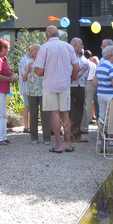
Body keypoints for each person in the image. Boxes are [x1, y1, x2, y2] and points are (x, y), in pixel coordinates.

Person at [34, 26, 79, 154]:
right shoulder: (68, 47)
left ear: (47, 35)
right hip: (64, 84)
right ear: (57, 34)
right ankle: (69, 144)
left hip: (50, 85)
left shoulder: (44, 48)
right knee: (66, 113)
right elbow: (76, 66)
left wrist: (41, 73)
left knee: (54, 114)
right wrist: (71, 79)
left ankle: (58, 145)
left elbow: (39, 69)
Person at [0, 38, 19, 146]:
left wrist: (10, 78)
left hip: (1, 89)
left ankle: (3, 137)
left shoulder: (2, 59)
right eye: (7, 47)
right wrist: (10, 79)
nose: (9, 49)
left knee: (3, 114)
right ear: (2, 48)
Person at [23, 44, 51, 145]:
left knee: (45, 115)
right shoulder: (27, 63)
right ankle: (34, 137)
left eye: (37, 49)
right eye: (33, 50)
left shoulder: (45, 63)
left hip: (43, 91)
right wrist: (27, 70)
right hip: (31, 91)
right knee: (33, 114)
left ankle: (47, 138)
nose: (35, 51)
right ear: (31, 52)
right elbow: (23, 78)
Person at [70, 38, 89, 143]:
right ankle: (75, 135)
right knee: (76, 112)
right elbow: (75, 75)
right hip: (76, 86)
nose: (82, 46)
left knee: (75, 111)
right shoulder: (73, 57)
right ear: (75, 45)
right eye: (81, 44)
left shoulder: (75, 57)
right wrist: (84, 69)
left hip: (78, 85)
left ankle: (72, 134)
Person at [94, 45, 113, 121]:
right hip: (111, 95)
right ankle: (111, 132)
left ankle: (101, 131)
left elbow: (94, 84)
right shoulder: (111, 68)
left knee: (102, 115)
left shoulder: (99, 67)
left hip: (100, 94)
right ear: (110, 56)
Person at [18, 46, 32, 134]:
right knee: (27, 106)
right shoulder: (25, 60)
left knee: (29, 106)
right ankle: (26, 127)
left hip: (29, 87)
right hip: (26, 86)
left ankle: (29, 126)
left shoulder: (30, 59)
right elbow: (24, 76)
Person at [82, 49, 95, 134]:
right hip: (90, 82)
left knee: (83, 103)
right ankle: (89, 119)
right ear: (90, 57)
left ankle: (83, 120)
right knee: (90, 102)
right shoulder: (92, 64)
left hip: (82, 82)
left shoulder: (81, 62)